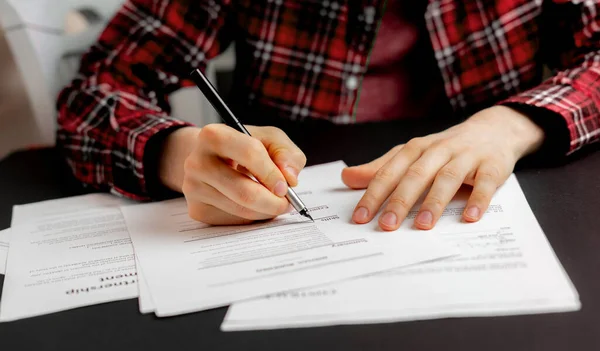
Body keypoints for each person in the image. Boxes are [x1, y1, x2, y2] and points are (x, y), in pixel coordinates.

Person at [57, 0, 600, 231]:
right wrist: (177, 154)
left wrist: (508, 125)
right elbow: (97, 89)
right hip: (272, 212)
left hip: (517, 199)